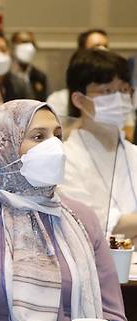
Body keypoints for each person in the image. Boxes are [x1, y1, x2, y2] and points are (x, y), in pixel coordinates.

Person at [0, 99, 127, 321]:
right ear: (4, 147)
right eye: (38, 137)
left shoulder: (82, 219)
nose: (54, 146)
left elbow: (112, 320)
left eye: (58, 135)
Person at [58, 49, 137, 238]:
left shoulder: (134, 153)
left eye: (124, 89)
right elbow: (92, 223)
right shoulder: (64, 158)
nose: (118, 98)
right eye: (107, 91)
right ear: (79, 99)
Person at [47, 29, 110, 116]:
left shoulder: (114, 98)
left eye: (105, 46)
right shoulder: (59, 100)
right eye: (96, 46)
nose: (102, 51)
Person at [10, 31, 48, 102]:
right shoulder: (5, 75)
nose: (29, 47)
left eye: (32, 43)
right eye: (24, 42)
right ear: (13, 46)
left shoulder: (39, 76)